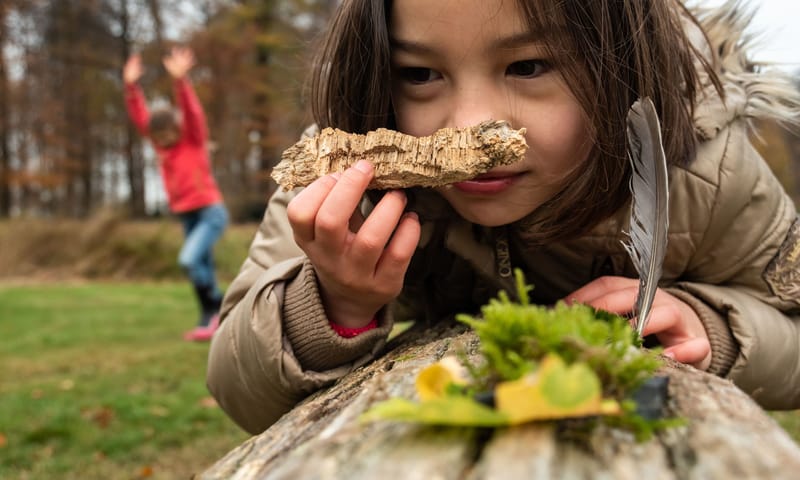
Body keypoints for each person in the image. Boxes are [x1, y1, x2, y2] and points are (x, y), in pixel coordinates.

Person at [207, 0, 800, 434]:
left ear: (620, 64)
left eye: (528, 66)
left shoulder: (705, 168)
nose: (470, 121)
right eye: (419, 74)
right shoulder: (345, 172)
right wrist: (333, 304)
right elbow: (239, 388)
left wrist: (717, 330)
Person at [124, 46, 228, 342]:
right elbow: (140, 116)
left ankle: (217, 308)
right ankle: (211, 320)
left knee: (189, 260)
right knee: (201, 267)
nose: (163, 141)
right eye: (157, 138)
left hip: (209, 211)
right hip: (186, 213)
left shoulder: (192, 139)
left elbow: (193, 112)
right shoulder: (161, 145)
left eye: (167, 135)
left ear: (176, 128)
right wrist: (131, 87)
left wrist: (181, 82)